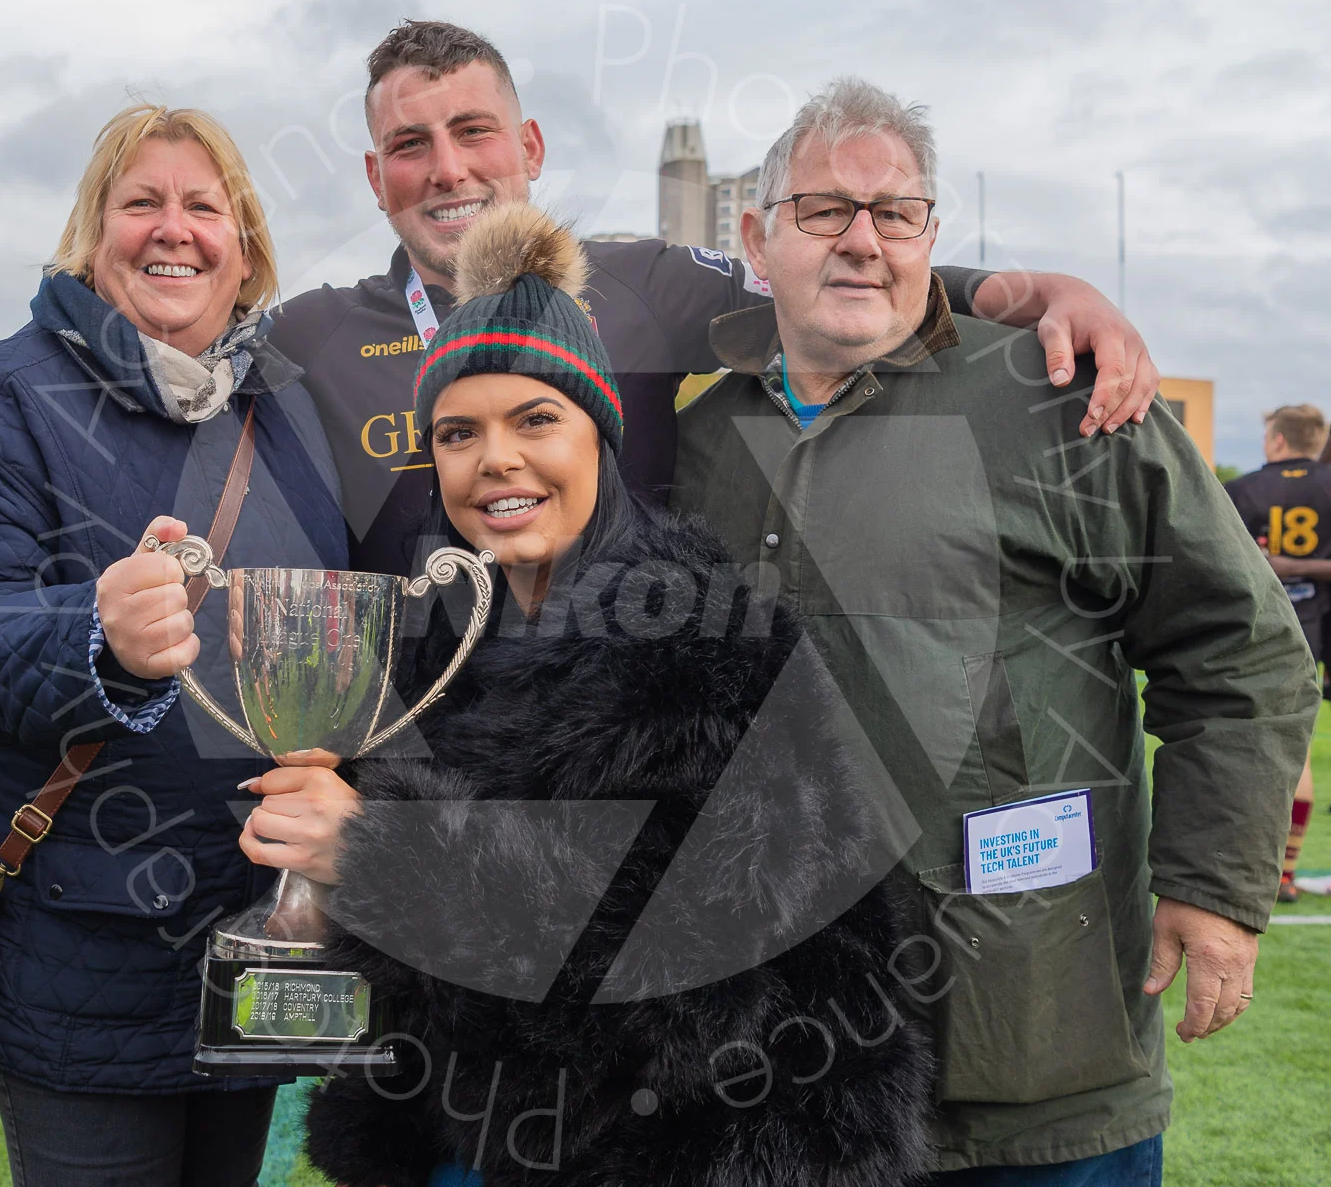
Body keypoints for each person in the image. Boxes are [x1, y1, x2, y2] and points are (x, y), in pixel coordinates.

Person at [110, 203, 936, 1186]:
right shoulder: (432, 644)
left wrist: (378, 853)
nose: (496, 458)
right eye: (458, 432)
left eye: (536, 419)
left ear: (600, 436)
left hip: (683, 1155)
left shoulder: (715, 639)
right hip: (464, 1143)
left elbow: (683, 967)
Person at [669, 78, 1319, 1184]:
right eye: (825, 209)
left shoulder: (1067, 396)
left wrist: (1214, 885)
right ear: (753, 233)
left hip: (1035, 1053)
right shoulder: (694, 439)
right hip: (776, 1067)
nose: (863, 241)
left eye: (898, 212)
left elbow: (1240, 648)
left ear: (932, 232)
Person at [0, 21, 1164, 578]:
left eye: (475, 131)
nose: (450, 169)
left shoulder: (651, 284)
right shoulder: (315, 333)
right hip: (410, 784)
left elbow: (839, 276)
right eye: (413, 144)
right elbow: (161, 355)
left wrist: (1037, 286)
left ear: (531, 147)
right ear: (375, 175)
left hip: (623, 771)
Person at [0, 104, 348, 1187]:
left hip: (253, 939)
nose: (171, 228)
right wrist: (94, 633)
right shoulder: (3, 395)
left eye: (201, 205)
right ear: (93, 238)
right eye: (139, 203)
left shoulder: (284, 411)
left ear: (247, 248)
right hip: (81, 958)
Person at [1226, 405, 1331, 903]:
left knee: (1250, 746)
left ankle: (1259, 871)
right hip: (1319, 627)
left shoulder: (1245, 489)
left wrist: (1283, 564)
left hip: (1260, 630)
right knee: (1302, 747)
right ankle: (1285, 872)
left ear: (1279, 441)